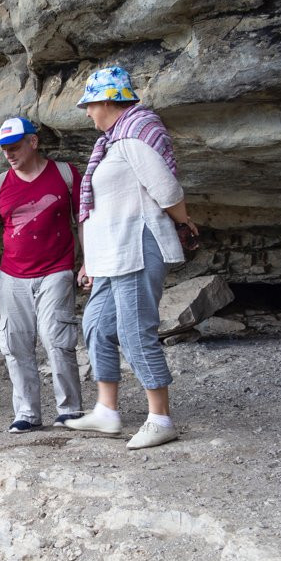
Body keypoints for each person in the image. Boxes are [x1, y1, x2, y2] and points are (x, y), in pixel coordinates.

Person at [65, 66, 199, 450]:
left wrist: (184, 222)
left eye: (90, 105)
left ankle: (161, 418)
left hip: (136, 247)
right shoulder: (112, 141)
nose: (87, 112)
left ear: (108, 100)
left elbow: (167, 189)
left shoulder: (135, 136)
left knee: (134, 330)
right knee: (96, 323)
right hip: (112, 254)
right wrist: (91, 259)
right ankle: (107, 411)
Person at [0, 116, 84, 433]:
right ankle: (27, 413)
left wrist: (88, 262)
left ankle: (70, 410)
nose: (8, 153)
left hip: (57, 269)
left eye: (15, 146)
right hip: (13, 275)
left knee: (55, 336)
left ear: (33, 142)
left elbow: (83, 220)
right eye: (4, 148)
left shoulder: (64, 175)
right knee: (15, 343)